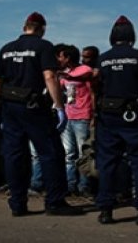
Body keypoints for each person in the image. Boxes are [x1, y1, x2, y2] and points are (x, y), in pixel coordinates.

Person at [0, 12, 79, 216]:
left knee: (14, 155)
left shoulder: (6, 49)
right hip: (34, 107)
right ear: (42, 28)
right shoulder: (43, 46)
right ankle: (54, 202)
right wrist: (59, 107)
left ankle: (17, 203)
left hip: (9, 107)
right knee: (51, 153)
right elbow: (49, 76)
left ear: (24, 27)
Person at [93, 16, 138, 225]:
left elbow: (95, 83)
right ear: (132, 35)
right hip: (134, 114)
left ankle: (105, 211)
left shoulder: (103, 58)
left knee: (107, 163)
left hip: (108, 114)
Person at [56, 44, 94, 197]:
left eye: (61, 57)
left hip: (82, 116)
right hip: (68, 116)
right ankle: (70, 185)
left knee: (83, 153)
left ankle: (84, 185)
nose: (59, 59)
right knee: (69, 154)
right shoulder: (65, 72)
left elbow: (87, 81)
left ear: (68, 57)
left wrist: (93, 115)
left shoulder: (85, 69)